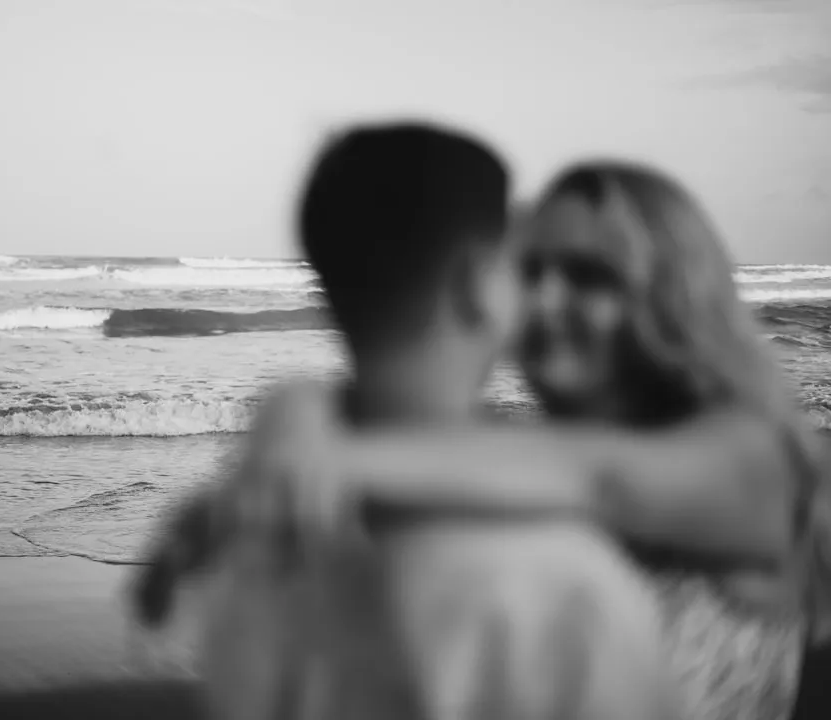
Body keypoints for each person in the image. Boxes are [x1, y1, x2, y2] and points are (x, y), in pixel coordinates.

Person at [135, 122, 676, 720]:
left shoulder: (254, 545)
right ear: (477, 283)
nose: (542, 294)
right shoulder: (574, 589)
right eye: (520, 263)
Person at [260, 162, 829, 720]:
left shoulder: (755, 454)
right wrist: (300, 411)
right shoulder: (534, 456)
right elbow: (409, 423)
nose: (546, 299)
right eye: (530, 271)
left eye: (590, 276)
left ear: (672, 294)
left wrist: (335, 458)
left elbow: (607, 481)